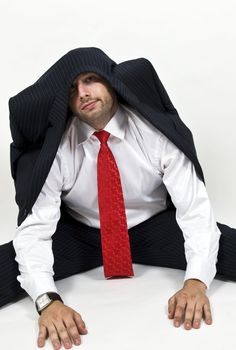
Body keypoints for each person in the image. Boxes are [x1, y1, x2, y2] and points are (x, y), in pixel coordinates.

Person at [1, 47, 236, 350]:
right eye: (72, 88)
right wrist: (48, 302)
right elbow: (35, 232)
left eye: (90, 80)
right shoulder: (57, 149)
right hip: (82, 236)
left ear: (111, 82)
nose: (83, 92)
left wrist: (196, 283)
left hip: (153, 228)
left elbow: (194, 211)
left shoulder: (154, 132)